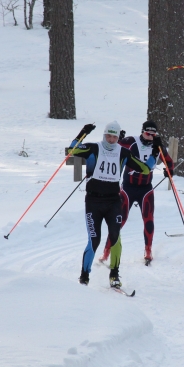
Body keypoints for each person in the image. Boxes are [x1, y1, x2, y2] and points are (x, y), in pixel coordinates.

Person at [68, 121, 158, 288]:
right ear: (104, 135)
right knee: (94, 240)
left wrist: (155, 153)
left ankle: (114, 274)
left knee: (115, 236)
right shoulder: (94, 148)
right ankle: (84, 276)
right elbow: (71, 151)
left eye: (114, 136)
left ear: (118, 137)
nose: (110, 140)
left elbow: (145, 169)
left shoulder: (123, 152)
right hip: (93, 202)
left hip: (113, 202)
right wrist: (83, 133)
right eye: (108, 136)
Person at [98, 121, 174, 265]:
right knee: (120, 220)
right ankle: (106, 251)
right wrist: (119, 138)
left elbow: (169, 161)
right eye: (147, 133)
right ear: (142, 131)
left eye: (153, 134)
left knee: (148, 219)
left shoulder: (157, 146)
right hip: (128, 188)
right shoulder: (131, 141)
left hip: (146, 189)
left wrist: (169, 170)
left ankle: (148, 250)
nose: (150, 136)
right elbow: (113, 147)